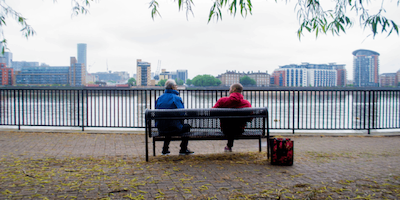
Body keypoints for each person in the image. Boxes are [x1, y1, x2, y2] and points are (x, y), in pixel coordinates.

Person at [155, 79, 194, 155]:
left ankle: (165, 149)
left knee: (168, 124)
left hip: (161, 128)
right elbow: (182, 113)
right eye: (176, 85)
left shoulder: (159, 98)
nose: (177, 87)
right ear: (173, 87)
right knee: (186, 127)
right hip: (174, 128)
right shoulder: (176, 98)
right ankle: (183, 149)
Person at [213, 83, 252, 152]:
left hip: (225, 130)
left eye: (229, 89)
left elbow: (212, 112)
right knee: (235, 126)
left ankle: (229, 146)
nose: (229, 91)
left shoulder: (222, 101)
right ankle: (229, 146)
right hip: (239, 130)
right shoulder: (246, 103)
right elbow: (250, 118)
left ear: (234, 89)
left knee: (230, 126)